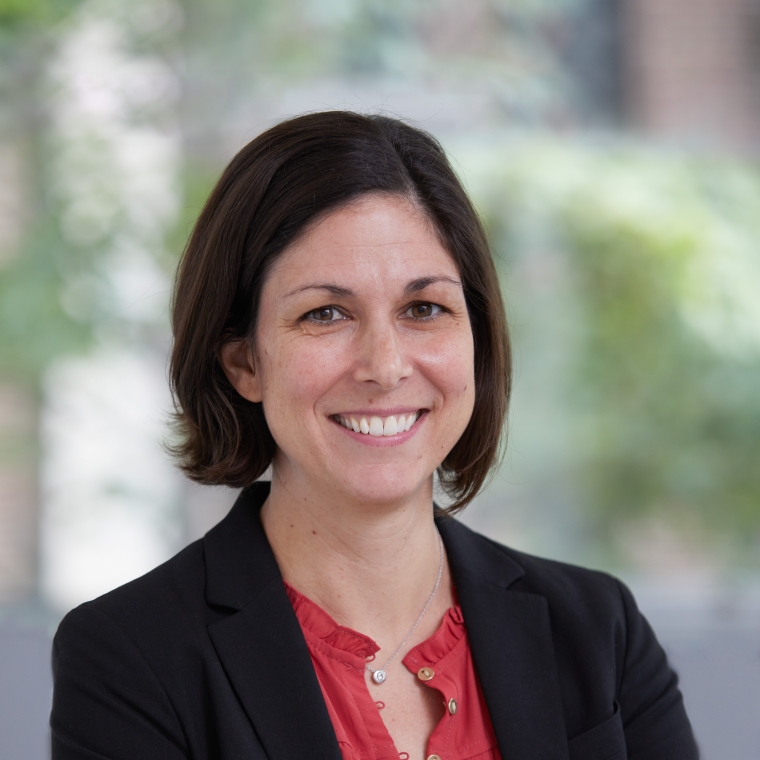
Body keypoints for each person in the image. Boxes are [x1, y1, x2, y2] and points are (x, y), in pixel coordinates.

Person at [50, 111, 699, 760]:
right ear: (244, 362)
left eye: (424, 309)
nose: (385, 366)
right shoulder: (131, 657)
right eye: (325, 314)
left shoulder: (596, 629)